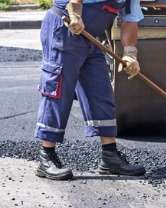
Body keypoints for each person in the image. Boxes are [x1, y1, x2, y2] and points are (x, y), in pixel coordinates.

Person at [35, 0, 146, 180]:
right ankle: (46, 156)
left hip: (90, 37)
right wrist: (75, 15)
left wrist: (130, 53)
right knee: (58, 89)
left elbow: (129, 20)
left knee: (100, 90)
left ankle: (109, 156)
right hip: (64, 29)